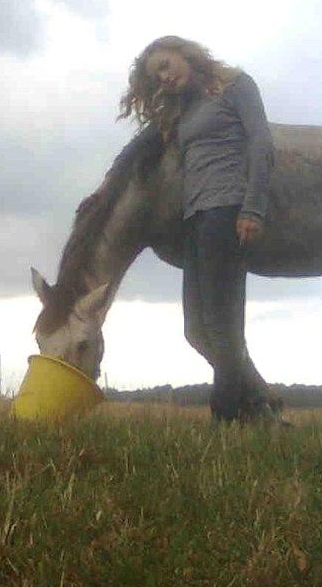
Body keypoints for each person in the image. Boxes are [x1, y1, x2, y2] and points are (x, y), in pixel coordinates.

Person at [118, 35, 283, 424]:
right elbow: (152, 145)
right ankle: (258, 406)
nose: (163, 77)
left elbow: (262, 142)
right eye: (155, 76)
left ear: (185, 55)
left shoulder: (235, 85)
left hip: (228, 209)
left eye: (165, 65)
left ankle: (225, 418)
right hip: (195, 218)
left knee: (223, 325)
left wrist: (253, 209)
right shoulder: (185, 108)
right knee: (196, 328)